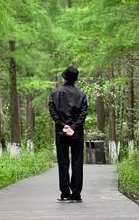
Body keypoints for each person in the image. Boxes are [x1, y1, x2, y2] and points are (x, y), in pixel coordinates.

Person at [48, 65, 88, 203]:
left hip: (61, 132)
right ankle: (76, 194)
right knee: (77, 163)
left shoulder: (55, 93)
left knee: (63, 163)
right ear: (76, 79)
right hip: (76, 133)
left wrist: (62, 125)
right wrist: (74, 127)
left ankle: (65, 193)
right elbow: (83, 113)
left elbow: (52, 111)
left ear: (64, 77)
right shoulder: (81, 95)